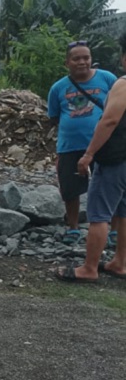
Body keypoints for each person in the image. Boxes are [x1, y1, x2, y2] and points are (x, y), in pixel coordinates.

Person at [57, 32, 126, 283]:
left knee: (99, 213)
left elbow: (109, 120)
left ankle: (89, 268)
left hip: (115, 159)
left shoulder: (121, 83)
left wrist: (89, 154)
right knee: (124, 211)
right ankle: (120, 262)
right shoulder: (59, 87)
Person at [48, 41, 118, 246]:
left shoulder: (107, 79)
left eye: (86, 57)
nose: (82, 62)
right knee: (70, 189)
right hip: (70, 146)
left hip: (104, 145)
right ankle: (73, 227)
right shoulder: (58, 88)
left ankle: (114, 230)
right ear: (67, 62)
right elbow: (54, 116)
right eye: (76, 58)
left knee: (110, 187)